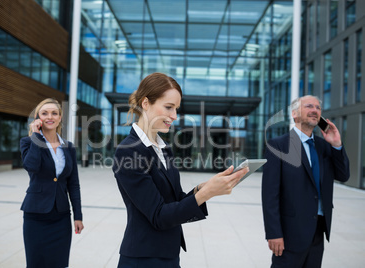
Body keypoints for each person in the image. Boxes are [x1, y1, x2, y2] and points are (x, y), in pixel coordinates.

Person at [112, 72, 249, 268]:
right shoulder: (128, 152)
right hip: (143, 258)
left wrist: (204, 188)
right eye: (168, 107)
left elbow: (173, 201)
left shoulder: (163, 147)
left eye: (176, 108)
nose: (174, 116)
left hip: (168, 254)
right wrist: (207, 193)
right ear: (145, 103)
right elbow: (159, 215)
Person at [261, 95, 350, 267]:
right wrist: (273, 233)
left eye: (318, 108)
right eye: (309, 106)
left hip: (317, 232)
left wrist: (337, 144)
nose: (315, 110)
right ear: (294, 114)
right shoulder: (278, 145)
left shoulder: (324, 146)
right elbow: (270, 194)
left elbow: (343, 175)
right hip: (289, 234)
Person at [20, 98, 84, 268]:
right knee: (35, 263)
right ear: (38, 118)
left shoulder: (68, 147)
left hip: (61, 217)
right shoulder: (28, 142)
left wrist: (78, 216)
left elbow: (73, 184)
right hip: (36, 216)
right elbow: (31, 167)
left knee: (59, 263)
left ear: (60, 117)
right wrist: (36, 136)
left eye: (54, 113)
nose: (50, 117)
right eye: (45, 113)